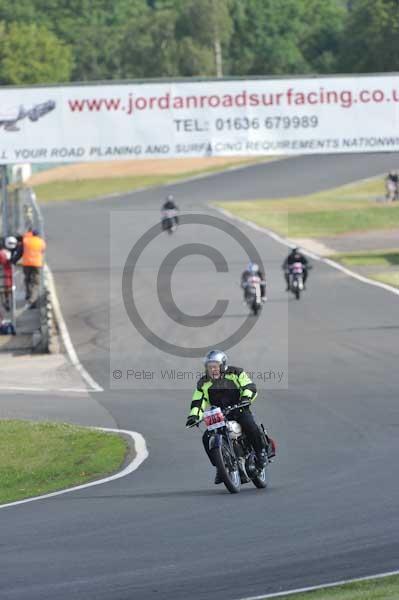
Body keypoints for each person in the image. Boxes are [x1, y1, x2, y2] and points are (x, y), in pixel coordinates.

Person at [186, 350, 275, 484]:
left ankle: (260, 453)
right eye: (210, 367)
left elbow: (249, 386)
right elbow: (198, 401)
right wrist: (193, 416)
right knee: (206, 437)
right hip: (219, 414)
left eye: (215, 366)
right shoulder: (203, 383)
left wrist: (246, 398)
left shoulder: (236, 373)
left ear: (222, 365)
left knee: (250, 425)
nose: (212, 369)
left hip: (238, 408)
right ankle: (220, 467)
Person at [21, 228, 46, 308]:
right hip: (36, 264)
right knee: (35, 283)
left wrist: (14, 260)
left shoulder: (26, 241)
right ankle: (32, 299)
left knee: (27, 280)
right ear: (38, 234)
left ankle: (28, 294)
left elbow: (20, 251)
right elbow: (42, 251)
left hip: (26, 264)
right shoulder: (41, 242)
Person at [0, 238, 13, 311]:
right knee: (7, 289)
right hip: (7, 274)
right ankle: (7, 302)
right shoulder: (7, 252)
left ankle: (6, 303)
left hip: (5, 274)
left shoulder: (3, 253)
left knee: (5, 290)